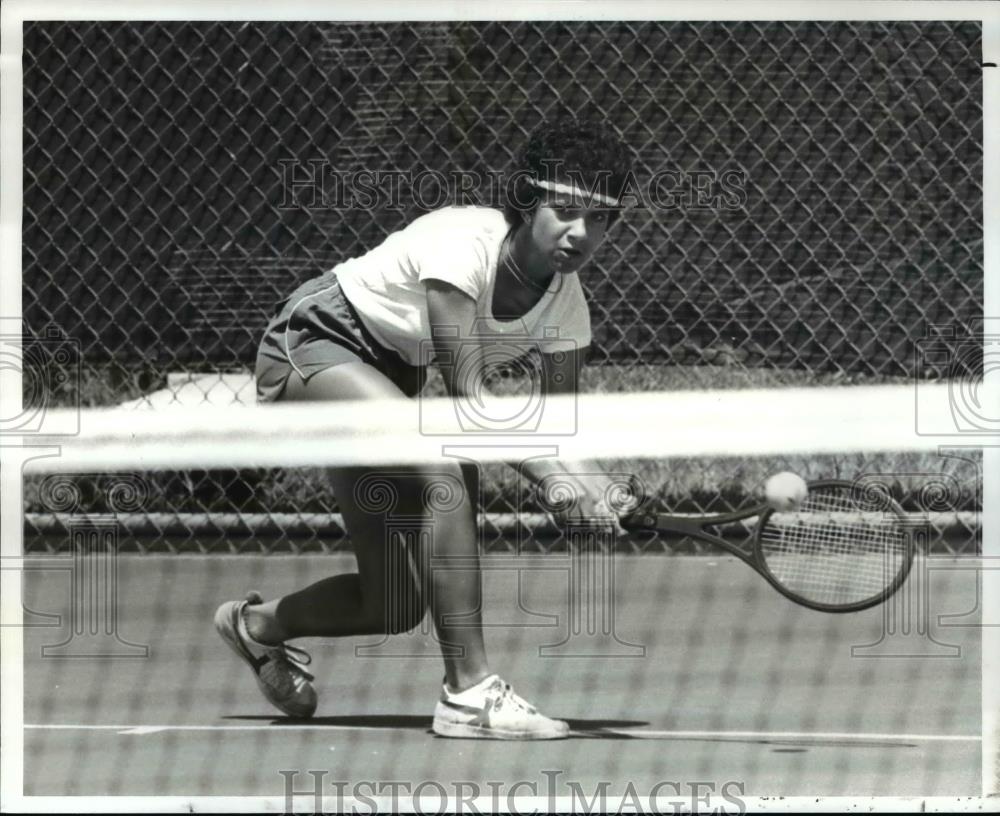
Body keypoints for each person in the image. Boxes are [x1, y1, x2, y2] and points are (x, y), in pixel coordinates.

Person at [215, 116, 632, 740]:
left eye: (599, 218)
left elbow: (556, 427)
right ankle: (468, 692)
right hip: (315, 347)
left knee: (394, 603)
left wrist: (599, 489)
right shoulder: (464, 245)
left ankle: (255, 627)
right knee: (445, 467)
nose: (581, 233)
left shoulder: (567, 305)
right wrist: (553, 480)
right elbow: (467, 397)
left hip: (389, 385)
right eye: (565, 210)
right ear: (526, 201)